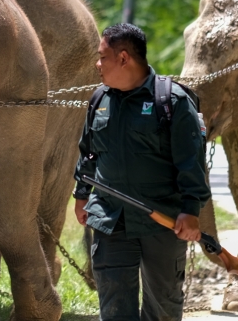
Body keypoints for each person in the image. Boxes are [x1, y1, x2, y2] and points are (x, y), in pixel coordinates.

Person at [74, 23, 211, 321]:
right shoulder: (100, 100)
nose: (97, 65)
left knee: (162, 309)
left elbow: (191, 162)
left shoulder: (172, 102)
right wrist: (81, 194)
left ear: (124, 58)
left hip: (162, 223)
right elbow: (89, 151)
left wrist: (190, 209)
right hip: (111, 220)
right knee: (114, 310)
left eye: (103, 57)